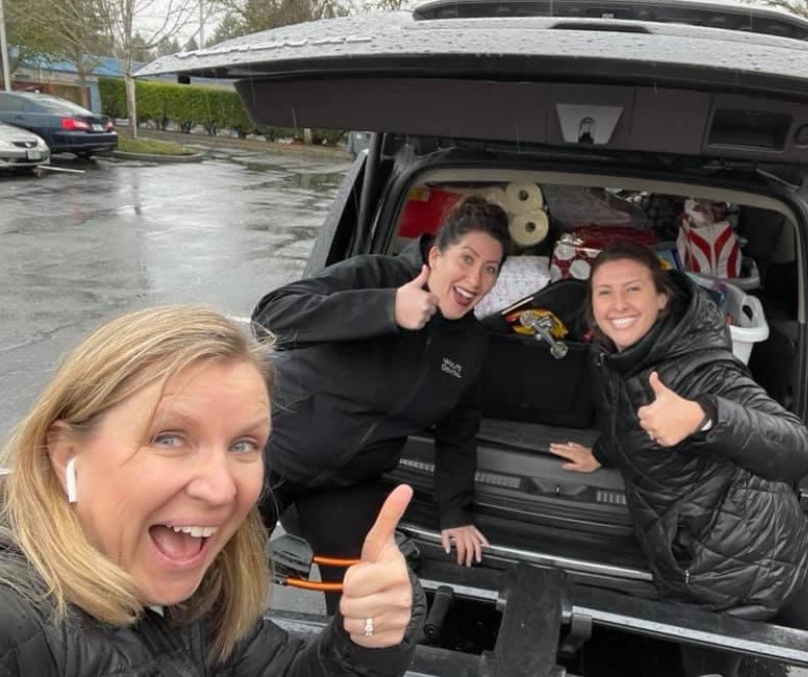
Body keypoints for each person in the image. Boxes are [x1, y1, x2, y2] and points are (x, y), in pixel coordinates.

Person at [0, 306, 425, 676]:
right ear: (67, 454)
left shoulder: (204, 598)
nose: (222, 490)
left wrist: (369, 634)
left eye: (243, 445)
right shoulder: (16, 624)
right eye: (169, 439)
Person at [549, 244, 808, 677]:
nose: (618, 304)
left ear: (662, 297)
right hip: (714, 556)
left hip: (741, 567)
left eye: (632, 289)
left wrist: (704, 416)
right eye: (604, 292)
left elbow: (798, 448)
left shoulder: (705, 368)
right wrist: (600, 455)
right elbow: (623, 420)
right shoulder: (610, 356)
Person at [252, 196, 511, 612]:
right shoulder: (375, 274)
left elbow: (458, 432)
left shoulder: (470, 346)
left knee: (364, 604)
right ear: (435, 255)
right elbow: (272, 316)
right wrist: (385, 308)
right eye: (466, 258)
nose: (475, 279)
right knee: (216, 584)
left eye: (490, 269)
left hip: (347, 483)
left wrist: (456, 512)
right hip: (274, 452)